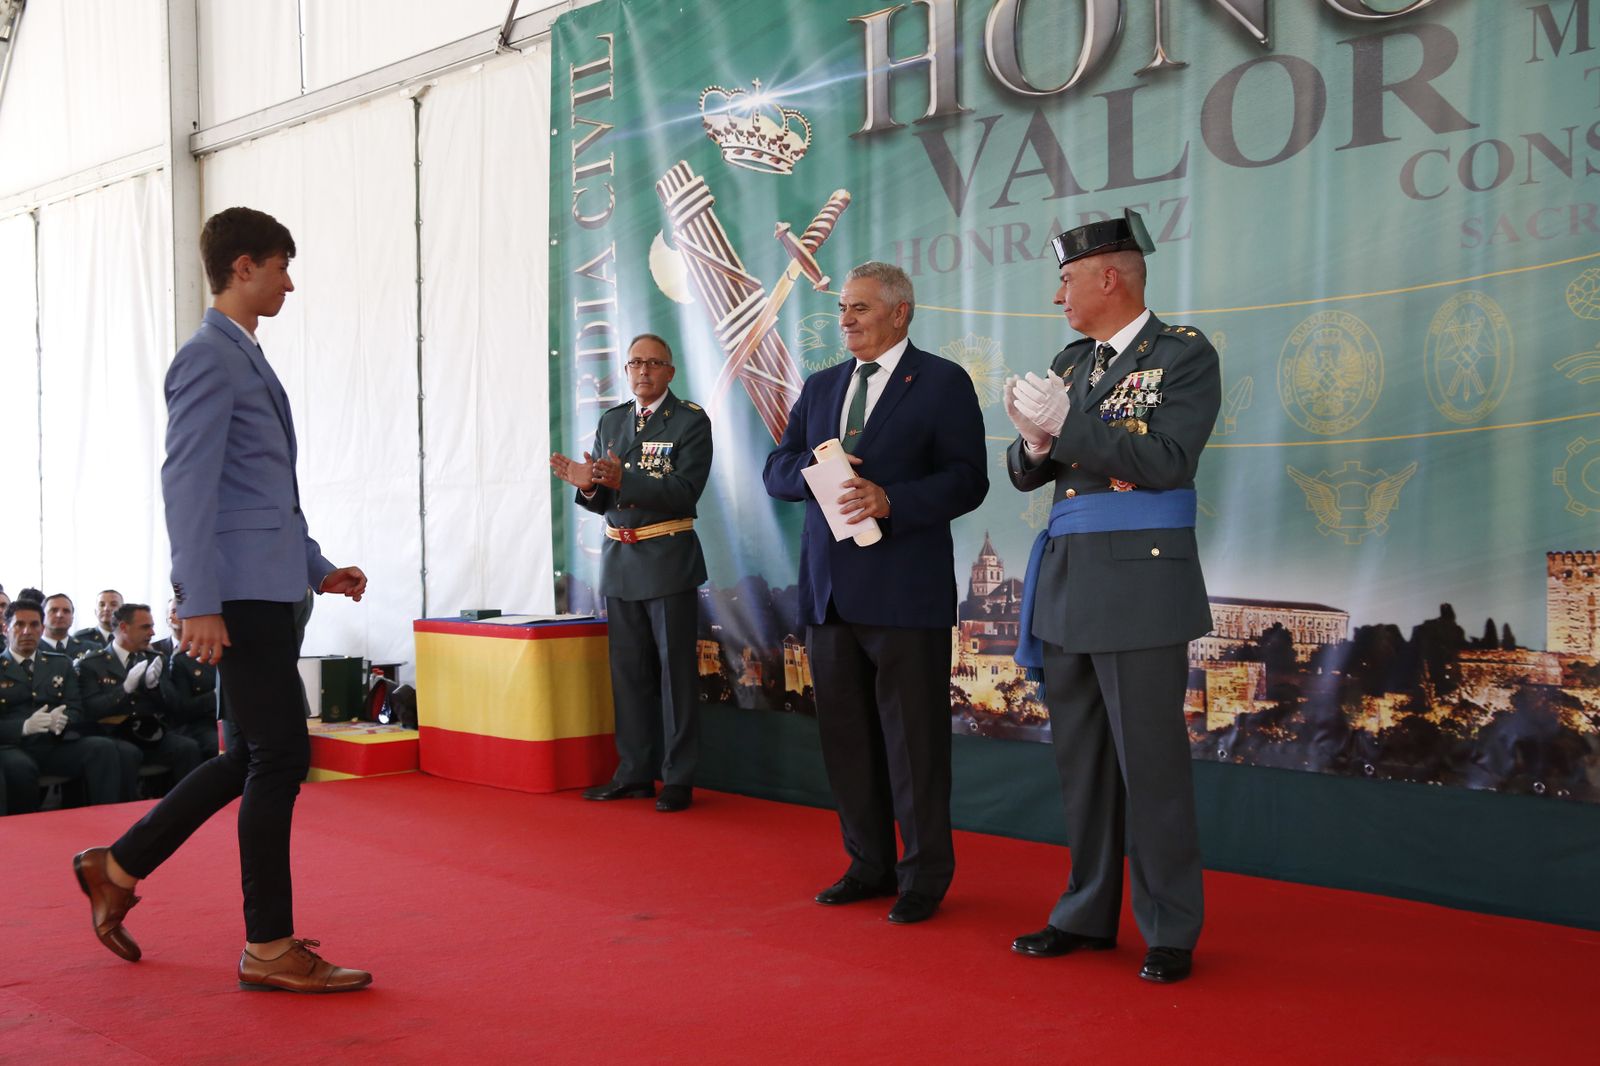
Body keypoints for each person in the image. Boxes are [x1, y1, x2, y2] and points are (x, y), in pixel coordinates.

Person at [72, 206, 371, 992]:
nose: (288, 280)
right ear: (242, 267)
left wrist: (315, 566)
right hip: (233, 598)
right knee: (281, 756)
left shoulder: (245, 357)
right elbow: (188, 487)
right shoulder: (208, 358)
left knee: (250, 754)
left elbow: (261, 489)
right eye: (279, 266)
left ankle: (119, 865)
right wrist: (196, 600)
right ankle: (268, 946)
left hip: (269, 588)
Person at [1001, 209, 1219, 984]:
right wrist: (1032, 443)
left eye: (1066, 279)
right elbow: (1032, 471)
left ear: (1109, 277)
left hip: (1139, 580)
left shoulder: (1183, 357)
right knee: (1082, 763)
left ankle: (1169, 926)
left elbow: (1167, 459)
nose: (1059, 295)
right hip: (1068, 575)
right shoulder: (1070, 362)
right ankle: (1086, 912)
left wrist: (1067, 432)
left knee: (1150, 765)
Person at [762, 261, 988, 925]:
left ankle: (923, 877)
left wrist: (892, 499)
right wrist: (812, 471)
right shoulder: (823, 384)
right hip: (830, 594)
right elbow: (776, 468)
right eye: (842, 309)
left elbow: (967, 480)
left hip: (905, 594)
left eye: (860, 308)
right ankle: (868, 864)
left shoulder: (942, 382)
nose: (847, 320)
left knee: (915, 745)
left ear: (900, 312)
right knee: (847, 739)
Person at [551, 333, 711, 813]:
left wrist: (626, 480)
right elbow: (605, 498)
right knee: (628, 676)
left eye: (653, 363)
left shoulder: (689, 421)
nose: (643, 371)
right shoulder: (612, 420)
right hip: (620, 561)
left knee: (675, 677)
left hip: (666, 558)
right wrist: (587, 488)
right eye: (635, 363)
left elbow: (685, 491)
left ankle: (679, 777)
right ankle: (635, 773)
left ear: (670, 372)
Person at [0, 599, 124, 812]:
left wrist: (63, 721)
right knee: (20, 768)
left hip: (52, 743)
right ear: (6, 628)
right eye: (19, 624)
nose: (27, 631)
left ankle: (108, 819)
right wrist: (23, 727)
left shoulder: (60, 663)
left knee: (103, 748)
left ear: (42, 628)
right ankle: (26, 833)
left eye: (34, 624)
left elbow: (75, 707)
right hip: (12, 746)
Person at [77, 603, 203, 791]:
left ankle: (186, 809)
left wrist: (155, 687)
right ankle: (123, 814)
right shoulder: (92, 663)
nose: (152, 633)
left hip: (150, 733)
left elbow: (175, 706)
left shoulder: (155, 658)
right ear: (123, 627)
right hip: (112, 735)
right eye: (145, 627)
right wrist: (124, 690)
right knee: (128, 754)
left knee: (188, 748)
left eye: (152, 626)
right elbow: (91, 709)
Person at [41, 593, 98, 659]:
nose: (60, 615)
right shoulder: (32, 649)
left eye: (66, 611)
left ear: (72, 618)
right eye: (53, 610)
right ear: (42, 616)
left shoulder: (92, 649)